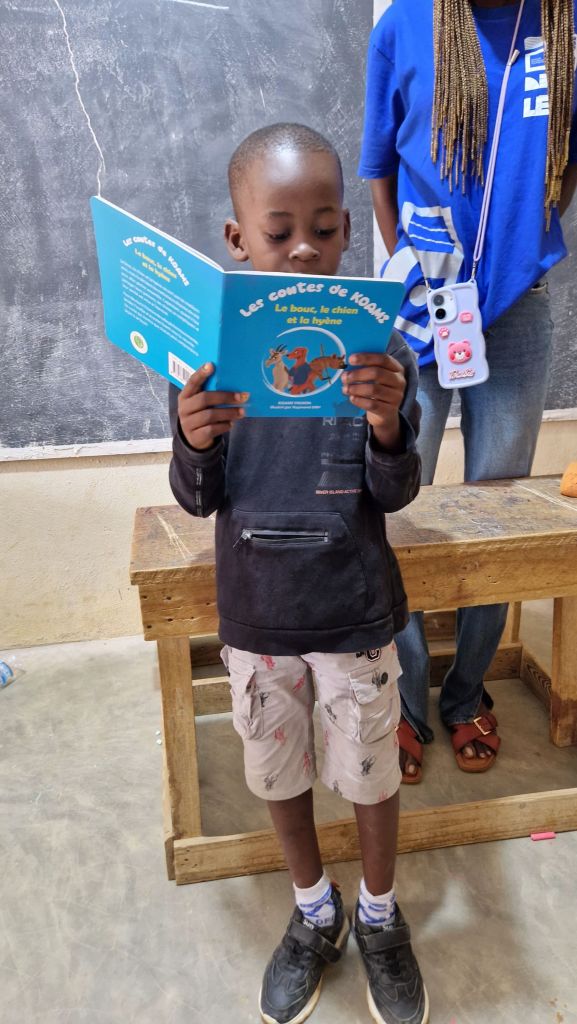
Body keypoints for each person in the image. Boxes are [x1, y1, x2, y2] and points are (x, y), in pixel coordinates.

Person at [168, 123, 428, 1024]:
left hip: (353, 611)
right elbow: (196, 497)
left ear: (349, 231)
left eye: (322, 227)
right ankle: (315, 909)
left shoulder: (377, 355)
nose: (304, 248)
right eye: (278, 232)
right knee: (277, 773)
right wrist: (194, 437)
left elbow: (394, 492)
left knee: (370, 774)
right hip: (258, 612)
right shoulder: (206, 361)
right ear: (237, 240)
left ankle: (379, 916)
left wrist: (388, 424)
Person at [359, 0, 577, 783]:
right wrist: (413, 277)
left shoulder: (563, 25)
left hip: (517, 309)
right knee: (398, 508)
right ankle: (406, 698)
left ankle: (464, 694)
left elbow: (564, 160)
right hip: (422, 304)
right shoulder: (405, 25)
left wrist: (520, 247)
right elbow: (379, 170)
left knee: (498, 510)